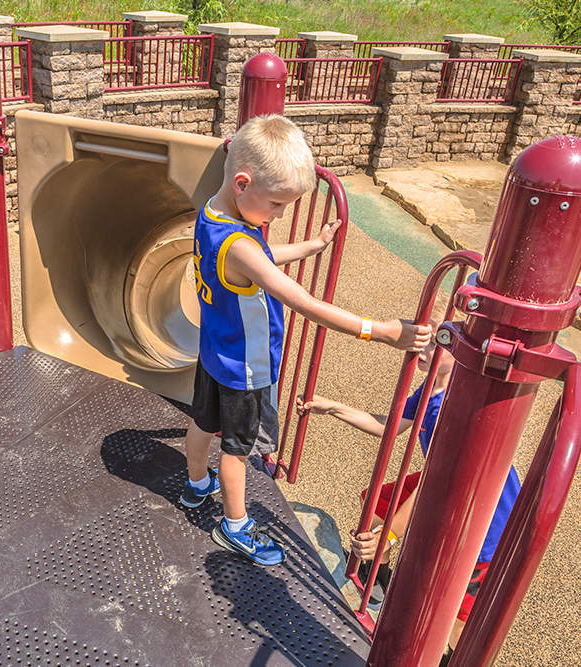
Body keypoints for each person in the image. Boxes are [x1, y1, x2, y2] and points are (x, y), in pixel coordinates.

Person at [180, 114, 432, 567]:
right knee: (236, 452)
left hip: (214, 354)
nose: (278, 215)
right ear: (242, 182)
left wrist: (310, 246)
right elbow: (304, 302)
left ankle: (197, 486)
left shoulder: (212, 214)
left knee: (202, 421)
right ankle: (234, 528)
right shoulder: (241, 244)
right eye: (277, 204)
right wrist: (383, 331)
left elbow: (255, 258)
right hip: (246, 367)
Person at [296, 312, 521, 664]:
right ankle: (378, 589)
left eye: (441, 342)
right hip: (445, 480)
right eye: (429, 340)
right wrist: (334, 407)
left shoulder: (460, 398)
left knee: (458, 617)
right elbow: (393, 425)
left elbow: (438, 482)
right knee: (378, 503)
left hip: (487, 515)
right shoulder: (434, 385)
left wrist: (391, 536)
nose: (430, 348)